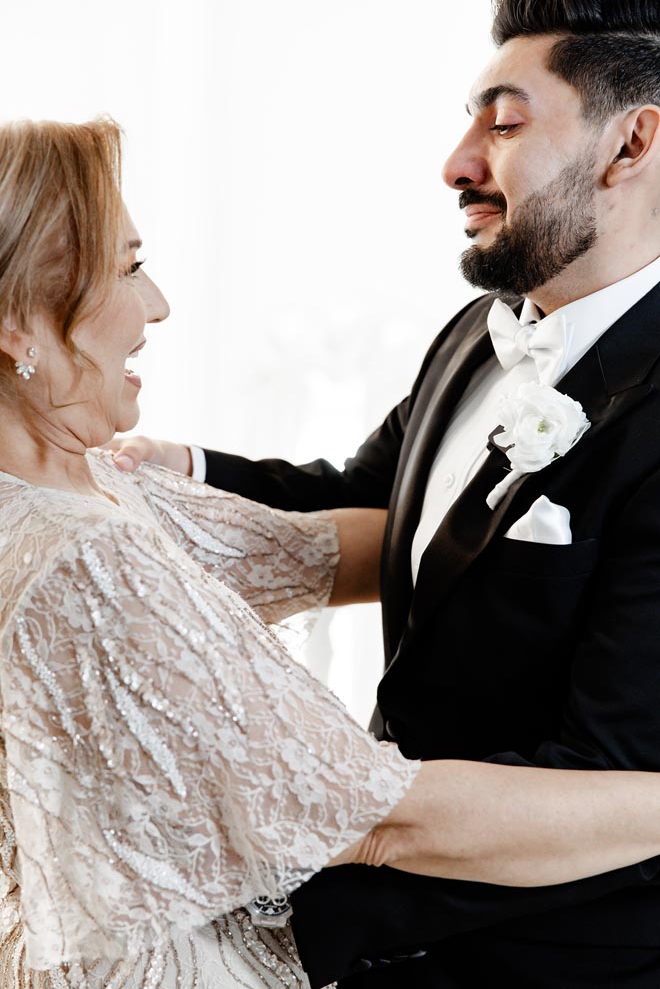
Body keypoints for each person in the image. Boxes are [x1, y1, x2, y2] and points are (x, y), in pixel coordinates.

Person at [8, 116, 660, 989]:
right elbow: (380, 820)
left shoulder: (88, 480)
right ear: (18, 327)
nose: (158, 301)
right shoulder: (80, 555)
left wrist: (579, 512)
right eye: (126, 269)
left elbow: (328, 547)